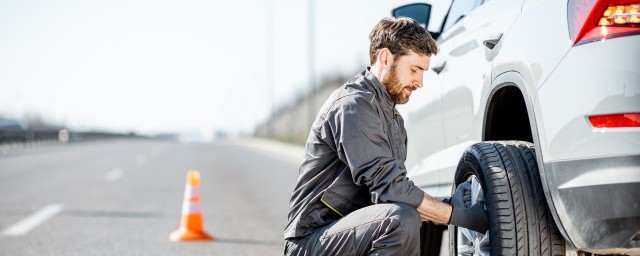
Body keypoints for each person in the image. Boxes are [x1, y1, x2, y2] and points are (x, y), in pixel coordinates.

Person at [284, 17, 488, 255]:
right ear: (385, 58)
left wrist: (448, 206)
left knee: (404, 216)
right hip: (312, 241)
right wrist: (458, 216)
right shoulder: (354, 106)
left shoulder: (393, 120)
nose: (420, 82)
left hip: (349, 233)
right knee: (400, 221)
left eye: (423, 72)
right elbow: (390, 189)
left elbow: (395, 195)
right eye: (414, 70)